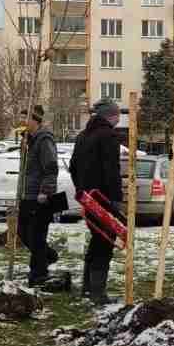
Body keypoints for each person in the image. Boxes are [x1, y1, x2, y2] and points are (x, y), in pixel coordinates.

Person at [69, 99, 123, 304]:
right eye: (117, 115)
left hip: (88, 197)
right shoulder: (109, 136)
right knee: (105, 242)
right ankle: (98, 293)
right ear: (111, 115)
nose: (118, 118)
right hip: (104, 198)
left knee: (96, 239)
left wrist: (82, 190)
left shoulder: (82, 136)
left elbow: (73, 166)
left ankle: (87, 287)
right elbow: (112, 170)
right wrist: (116, 198)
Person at [19, 105, 60, 285]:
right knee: (23, 232)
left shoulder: (44, 140)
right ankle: (47, 256)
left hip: (39, 196)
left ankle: (38, 273)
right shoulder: (30, 140)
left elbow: (50, 168)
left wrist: (45, 192)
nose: (21, 122)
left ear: (34, 120)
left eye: (24, 118)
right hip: (28, 195)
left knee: (36, 235)